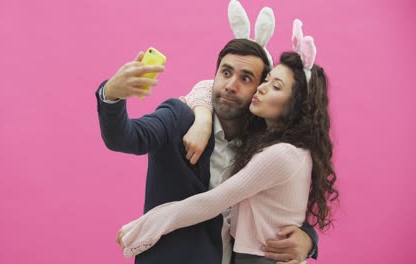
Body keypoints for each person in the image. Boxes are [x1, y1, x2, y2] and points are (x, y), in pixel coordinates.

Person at [114, 20, 339, 264]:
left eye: (248, 79)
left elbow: (251, 205)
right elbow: (126, 137)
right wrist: (113, 97)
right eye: (226, 73)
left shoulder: (269, 144)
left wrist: (308, 240)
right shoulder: (181, 118)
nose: (231, 86)